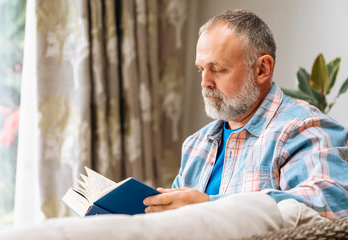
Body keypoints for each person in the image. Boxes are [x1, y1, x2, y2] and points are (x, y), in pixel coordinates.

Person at [143, 9, 348, 219]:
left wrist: (208, 206)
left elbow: (330, 203)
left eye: (218, 69)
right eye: (201, 69)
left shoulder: (304, 127)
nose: (205, 82)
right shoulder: (196, 145)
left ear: (262, 69)